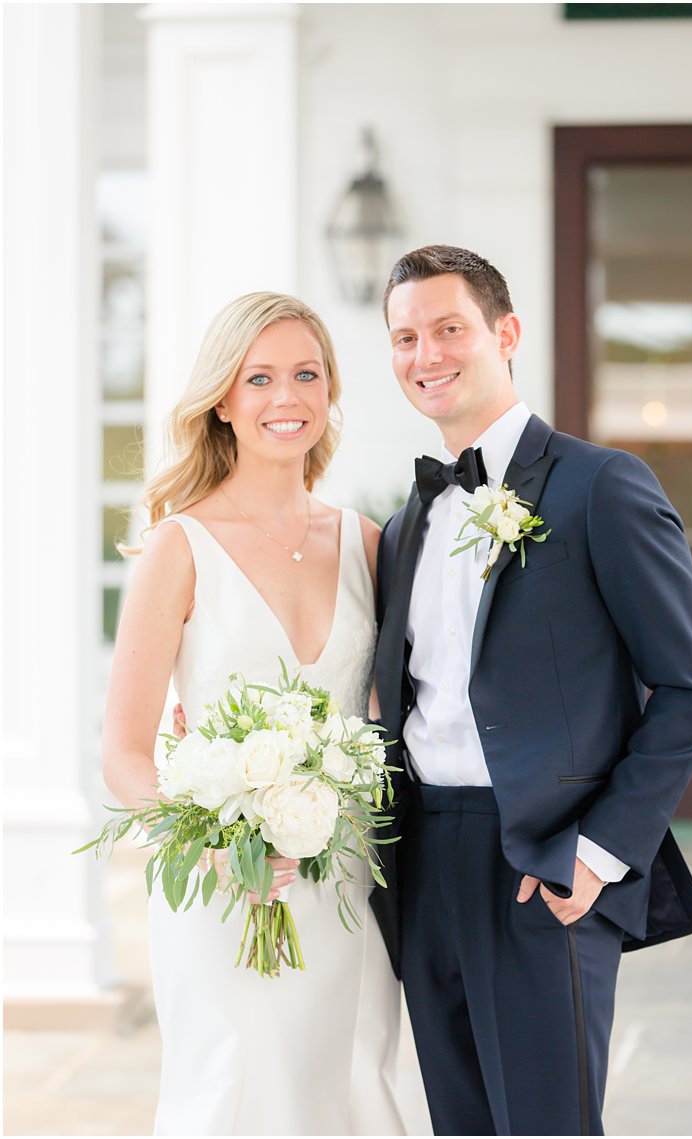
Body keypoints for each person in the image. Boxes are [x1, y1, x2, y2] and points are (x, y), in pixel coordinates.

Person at [370, 244, 692, 1136]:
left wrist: (599, 850)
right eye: (406, 336)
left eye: (449, 329)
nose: (428, 355)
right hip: (423, 857)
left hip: (540, 861)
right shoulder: (407, 520)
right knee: (459, 1121)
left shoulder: (601, 485)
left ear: (507, 333)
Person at [100, 292, 415, 1135]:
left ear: (329, 391)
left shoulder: (371, 543)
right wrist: (214, 849)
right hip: (227, 892)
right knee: (234, 1092)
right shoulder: (179, 546)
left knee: (355, 1084)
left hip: (348, 888)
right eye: (261, 378)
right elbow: (125, 751)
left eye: (306, 374)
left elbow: (397, 721)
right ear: (223, 401)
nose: (287, 398)